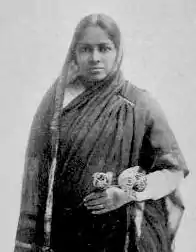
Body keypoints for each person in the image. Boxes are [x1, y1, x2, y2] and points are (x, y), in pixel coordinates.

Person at [14, 13, 189, 252]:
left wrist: (126, 194)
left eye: (104, 48)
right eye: (85, 49)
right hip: (66, 236)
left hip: (121, 237)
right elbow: (37, 176)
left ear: (117, 52)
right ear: (74, 53)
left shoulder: (139, 104)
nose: (95, 58)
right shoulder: (55, 105)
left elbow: (173, 170)